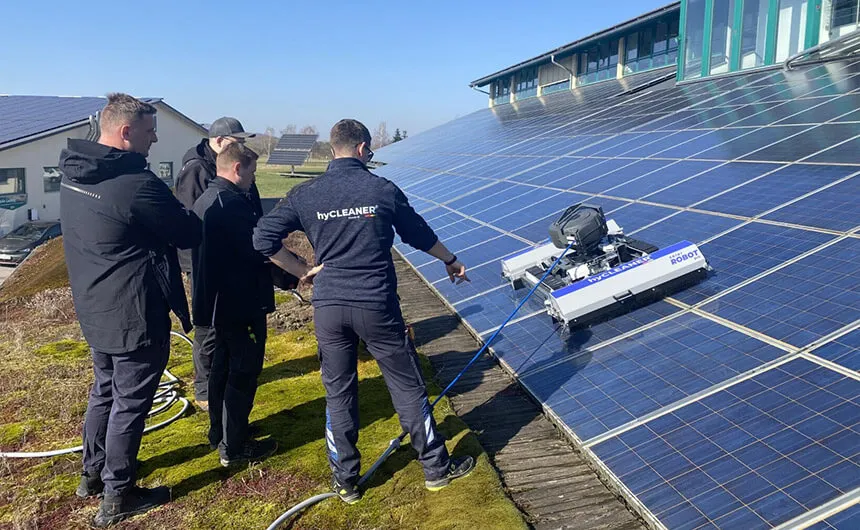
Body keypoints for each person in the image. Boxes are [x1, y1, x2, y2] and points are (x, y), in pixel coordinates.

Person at [253, 119, 475, 504]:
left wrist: (301, 270)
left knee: (338, 392)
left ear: (333, 148)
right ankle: (436, 469)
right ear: (361, 149)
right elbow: (418, 234)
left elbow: (262, 238)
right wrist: (451, 260)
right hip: (376, 305)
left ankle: (346, 482)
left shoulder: (306, 193)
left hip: (329, 307)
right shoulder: (381, 189)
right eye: (369, 150)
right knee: (407, 386)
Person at [59, 93, 201, 527]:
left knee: (105, 389)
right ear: (125, 132)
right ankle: (118, 495)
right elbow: (187, 231)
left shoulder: (75, 173)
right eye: (150, 131)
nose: (154, 139)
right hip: (134, 312)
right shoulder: (136, 184)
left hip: (94, 306)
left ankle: (92, 474)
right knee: (130, 402)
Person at [191, 143, 287, 466]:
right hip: (241, 303)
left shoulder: (207, 199)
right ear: (237, 169)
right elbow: (259, 250)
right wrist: (296, 273)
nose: (254, 179)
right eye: (252, 172)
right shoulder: (232, 205)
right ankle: (234, 446)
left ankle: (220, 431)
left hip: (217, 304)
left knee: (221, 368)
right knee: (243, 372)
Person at [175, 117, 260, 413]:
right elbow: (191, 221)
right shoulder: (196, 169)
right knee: (208, 326)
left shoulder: (235, 165)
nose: (243, 145)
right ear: (221, 141)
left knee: (226, 325)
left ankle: (224, 377)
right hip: (204, 261)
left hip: (230, 258)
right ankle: (204, 386)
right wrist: (196, 265)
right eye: (238, 140)